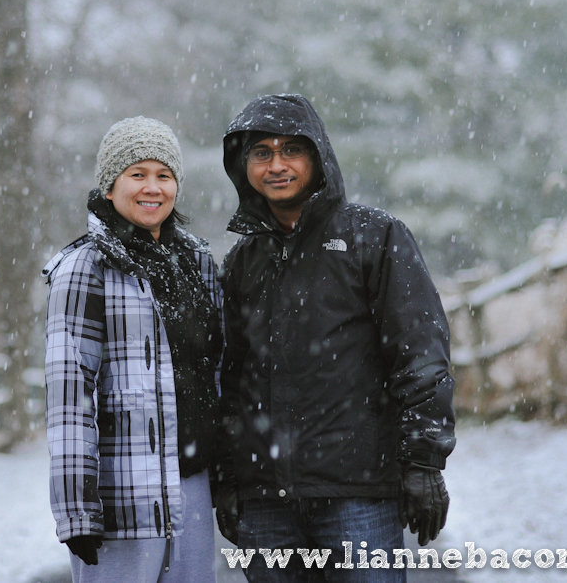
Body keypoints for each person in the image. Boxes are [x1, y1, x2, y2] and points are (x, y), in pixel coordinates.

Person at [214, 94, 455, 582]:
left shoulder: (374, 237)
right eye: (261, 153)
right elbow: (228, 378)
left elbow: (420, 354)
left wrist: (423, 462)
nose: (276, 165)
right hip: (266, 504)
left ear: (317, 157)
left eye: (290, 151)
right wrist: (227, 477)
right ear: (244, 167)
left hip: (357, 494)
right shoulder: (242, 261)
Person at [42, 117, 223, 583]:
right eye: (137, 174)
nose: (152, 187)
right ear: (110, 186)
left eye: (164, 175)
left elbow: (217, 370)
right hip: (122, 490)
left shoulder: (197, 263)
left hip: (193, 484)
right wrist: (77, 511)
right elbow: (70, 396)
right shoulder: (85, 267)